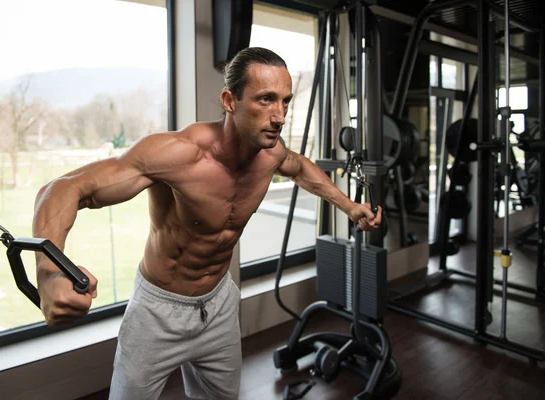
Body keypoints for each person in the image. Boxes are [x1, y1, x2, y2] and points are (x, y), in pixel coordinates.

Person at [32, 47, 382, 400]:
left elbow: (301, 167)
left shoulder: (270, 153)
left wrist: (350, 207)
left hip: (218, 304)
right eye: (265, 100)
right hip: (157, 312)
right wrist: (49, 273)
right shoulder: (178, 155)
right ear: (230, 101)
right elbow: (63, 189)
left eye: (285, 102)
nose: (279, 116)